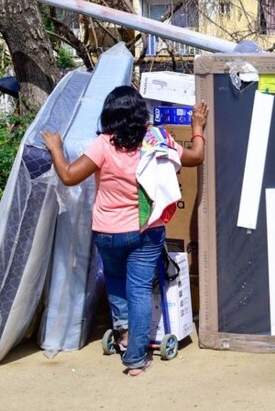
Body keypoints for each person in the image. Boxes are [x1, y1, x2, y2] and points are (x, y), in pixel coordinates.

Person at [42, 87, 207, 376]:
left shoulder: (103, 145)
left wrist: (56, 147)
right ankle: (135, 361)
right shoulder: (156, 139)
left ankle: (125, 333)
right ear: (141, 113)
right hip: (146, 232)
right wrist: (197, 127)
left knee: (116, 281)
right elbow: (195, 157)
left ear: (109, 114)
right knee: (139, 290)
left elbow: (68, 176)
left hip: (107, 232)